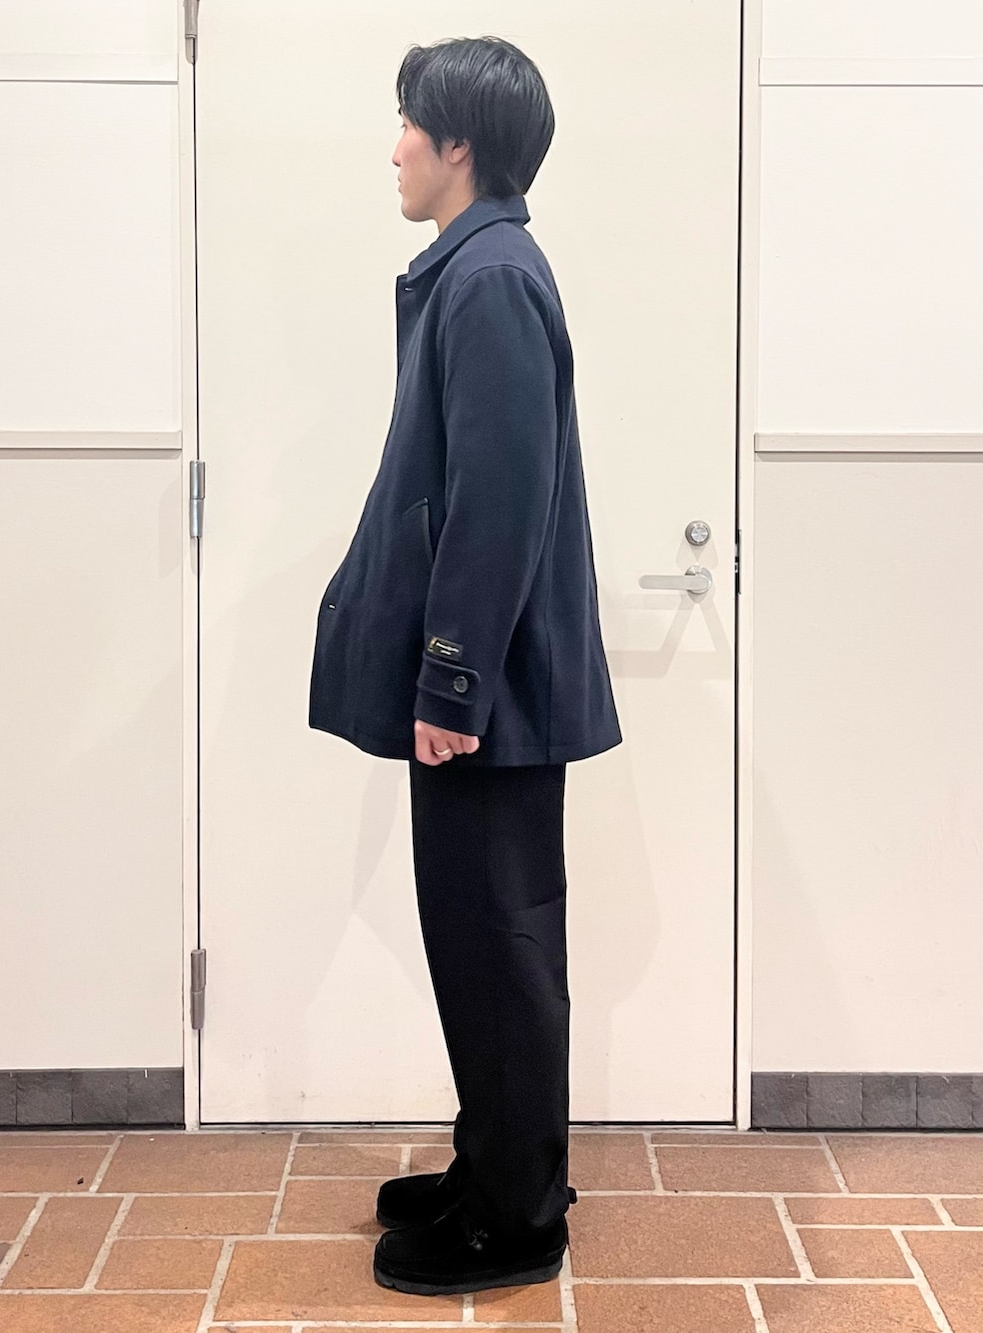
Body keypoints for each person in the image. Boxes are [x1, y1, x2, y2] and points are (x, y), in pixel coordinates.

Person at [308, 35, 621, 1297]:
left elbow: (498, 503)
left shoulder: (488, 280)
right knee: (485, 939)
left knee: (497, 944)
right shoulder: (479, 270)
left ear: (458, 145)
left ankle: (517, 1216)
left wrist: (449, 683)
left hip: (490, 697)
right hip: (492, 689)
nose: (392, 148)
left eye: (407, 124)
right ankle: (495, 1163)